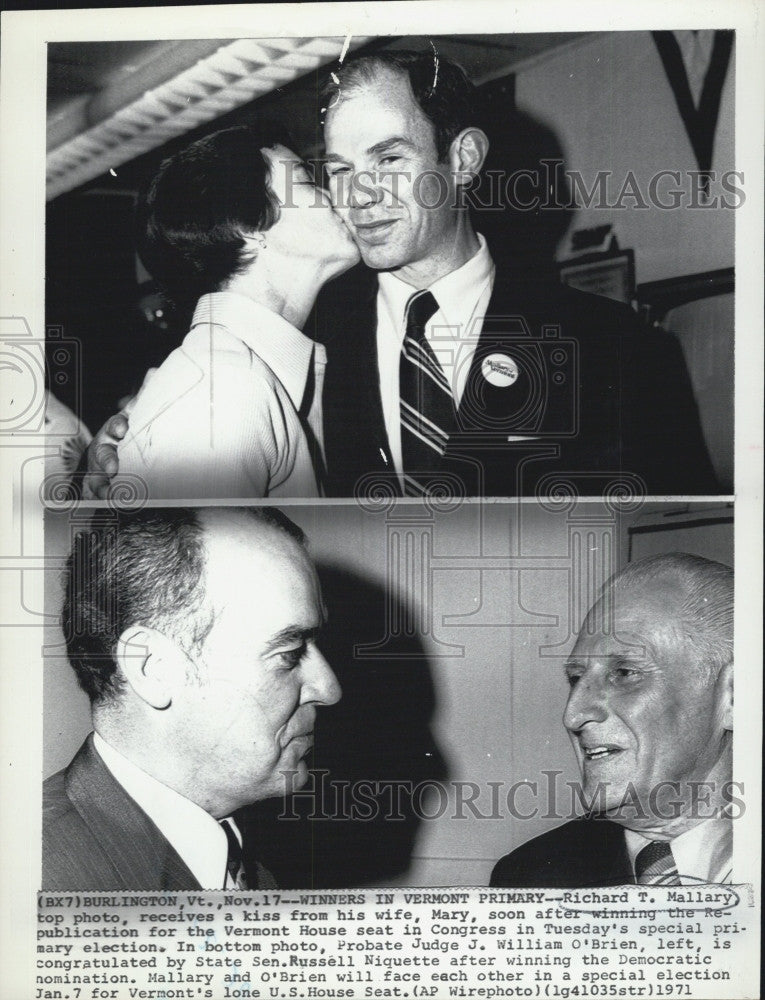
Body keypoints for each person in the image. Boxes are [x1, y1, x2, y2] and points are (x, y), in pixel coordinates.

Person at [85, 50, 717, 499]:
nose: (359, 195)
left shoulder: (621, 352)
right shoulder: (299, 337)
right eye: (336, 169)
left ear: (462, 159)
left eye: (388, 157)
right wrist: (118, 460)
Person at [43, 507, 341, 890]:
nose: (329, 688)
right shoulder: (40, 878)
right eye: (289, 652)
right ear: (153, 667)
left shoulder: (243, 858)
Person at [107, 124, 359, 498]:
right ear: (251, 224)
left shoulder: (233, 379)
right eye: (307, 182)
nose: (333, 195)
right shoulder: (224, 391)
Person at [491, 552, 734, 888]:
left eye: (625, 673)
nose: (573, 714)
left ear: (733, 695)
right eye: (576, 679)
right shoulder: (529, 875)